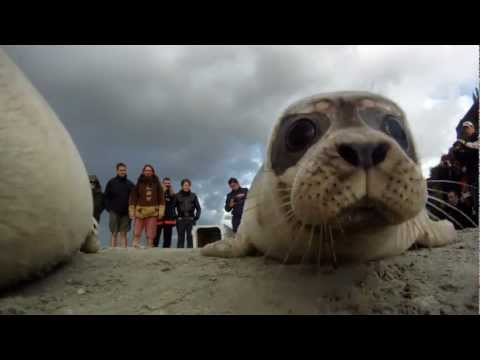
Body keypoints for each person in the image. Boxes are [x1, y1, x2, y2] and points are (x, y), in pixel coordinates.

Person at [129, 165, 165, 248]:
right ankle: (135, 245)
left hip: (153, 211)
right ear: (143, 172)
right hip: (140, 211)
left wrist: (161, 211)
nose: (148, 172)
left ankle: (149, 246)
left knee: (151, 231)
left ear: (152, 172)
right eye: (146, 170)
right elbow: (133, 197)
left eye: (149, 170)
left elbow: (161, 198)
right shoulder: (139, 183)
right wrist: (131, 210)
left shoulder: (157, 184)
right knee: (137, 230)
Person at [104, 163, 135, 248]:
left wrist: (132, 211)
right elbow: (106, 196)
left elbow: (134, 198)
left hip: (126, 213)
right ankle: (112, 251)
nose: (123, 172)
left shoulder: (130, 184)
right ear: (117, 171)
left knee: (123, 233)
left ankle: (123, 252)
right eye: (121, 170)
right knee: (114, 233)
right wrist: (109, 209)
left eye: (124, 170)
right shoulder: (111, 182)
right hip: (114, 212)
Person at [175, 179, 201, 248]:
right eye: (185, 185)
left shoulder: (193, 195)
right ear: (182, 186)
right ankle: (179, 256)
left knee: (191, 238)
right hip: (180, 220)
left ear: (190, 186)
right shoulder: (177, 196)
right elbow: (172, 207)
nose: (186, 187)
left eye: (188, 185)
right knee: (181, 238)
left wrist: (196, 217)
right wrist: (176, 217)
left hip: (191, 219)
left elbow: (198, 208)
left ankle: (190, 256)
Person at [153, 177, 177, 248]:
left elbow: (175, 205)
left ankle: (166, 250)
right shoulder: (158, 192)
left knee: (168, 236)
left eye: (168, 183)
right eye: (165, 183)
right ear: (162, 184)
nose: (167, 185)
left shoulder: (173, 194)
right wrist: (162, 192)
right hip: (159, 216)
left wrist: (175, 216)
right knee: (156, 235)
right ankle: (154, 249)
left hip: (169, 217)